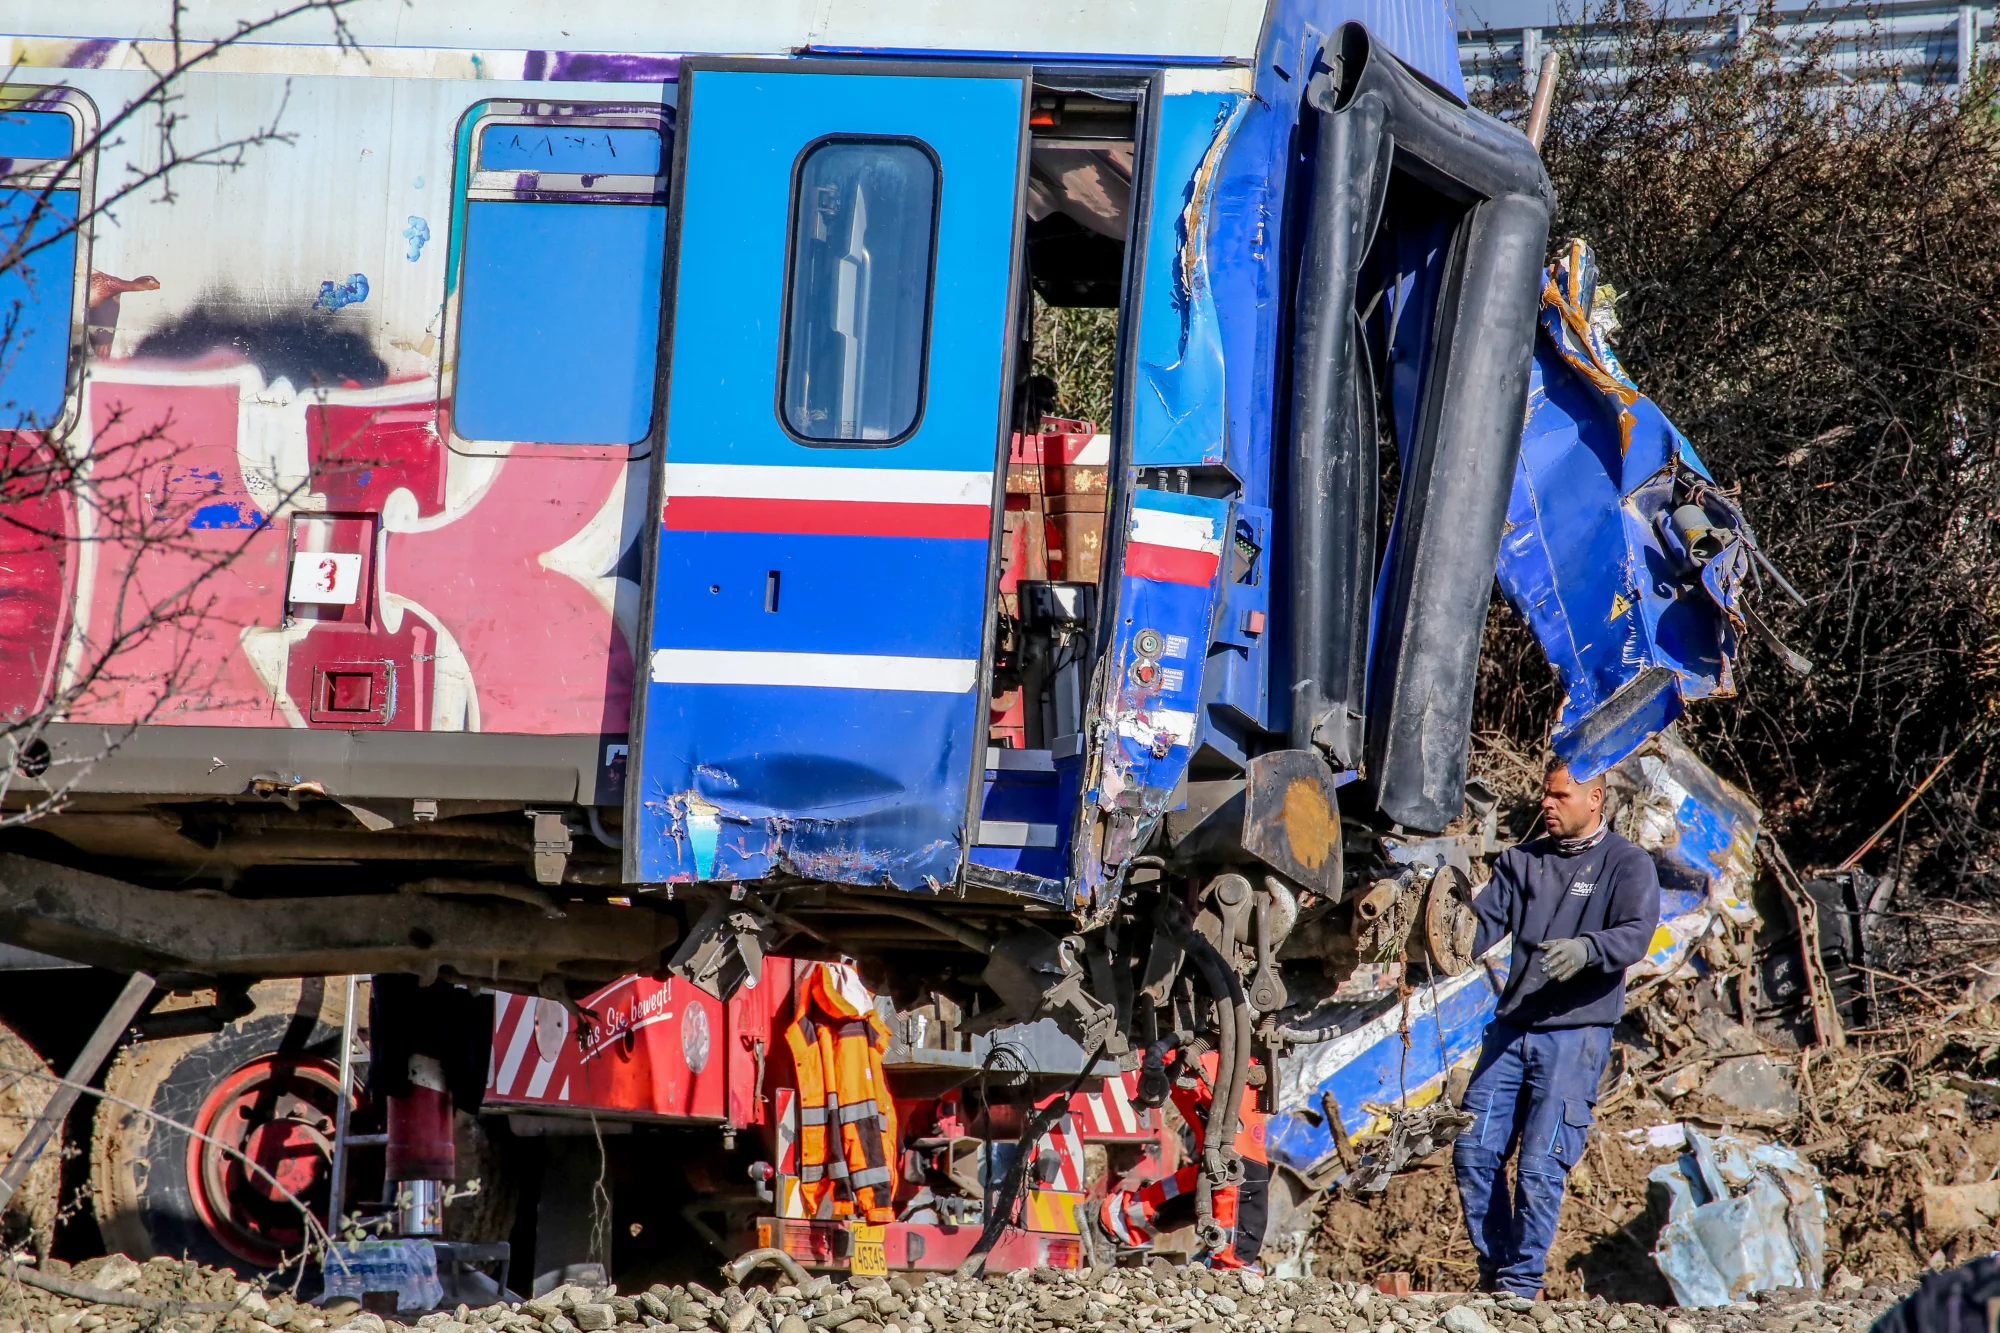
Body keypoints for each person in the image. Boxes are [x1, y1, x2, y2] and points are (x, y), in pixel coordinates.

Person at [1452, 759, 1661, 1298]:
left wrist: (1588, 948)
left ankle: (1520, 1286)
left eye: (1560, 796)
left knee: (1540, 1166)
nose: (1547, 804)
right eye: (1545, 795)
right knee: (1473, 1150)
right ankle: (1497, 1270)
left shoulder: (1627, 864)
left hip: (1576, 1035)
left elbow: (1636, 935)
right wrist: (1429, 934)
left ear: (1595, 799)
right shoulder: (1523, 862)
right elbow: (1474, 932)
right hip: (1512, 1030)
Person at [1099, 1047, 1270, 1270]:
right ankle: (1229, 1265)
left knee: (1224, 1170)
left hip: (1230, 1052)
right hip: (1205, 1050)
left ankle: (1124, 1217)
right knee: (1239, 1166)